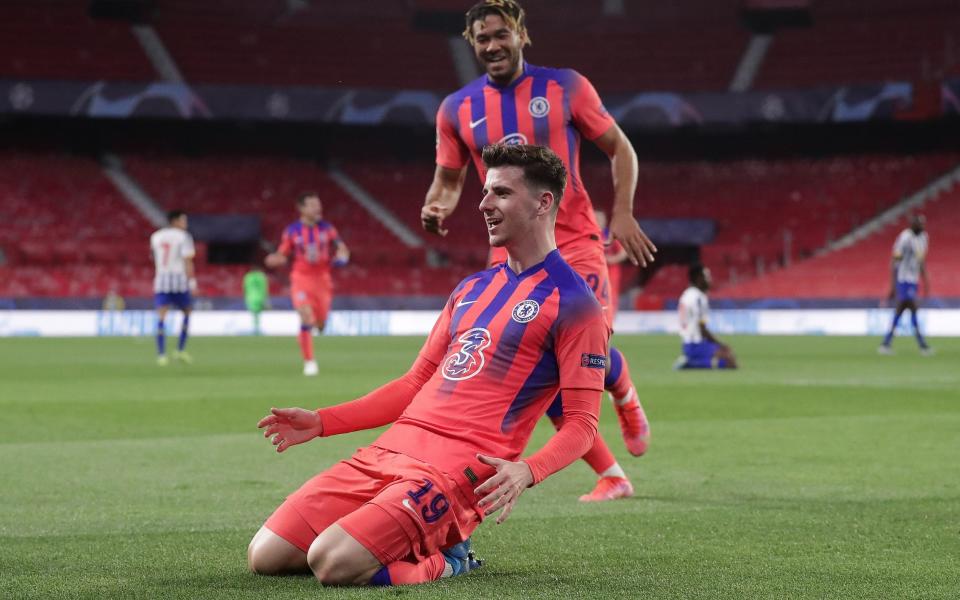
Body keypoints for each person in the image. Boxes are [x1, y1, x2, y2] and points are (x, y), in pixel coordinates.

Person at [248, 144, 608, 587]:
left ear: (543, 202)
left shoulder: (575, 305)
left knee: (333, 563)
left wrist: (527, 470)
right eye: (484, 192)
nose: (483, 204)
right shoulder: (472, 288)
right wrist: (322, 422)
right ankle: (415, 537)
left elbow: (582, 424)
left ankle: (450, 560)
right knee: (265, 556)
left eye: (500, 193)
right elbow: (413, 383)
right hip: (390, 451)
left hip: (453, 471)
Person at [419, 0, 653, 501]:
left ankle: (625, 393)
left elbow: (621, 148)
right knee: (535, 369)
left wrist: (624, 212)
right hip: (509, 256)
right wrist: (435, 207)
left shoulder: (565, 87)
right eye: (482, 39)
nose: (492, 46)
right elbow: (446, 180)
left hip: (574, 242)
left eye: (501, 34)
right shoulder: (456, 108)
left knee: (582, 350)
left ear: (522, 34)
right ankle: (612, 474)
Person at [265, 193, 349, 376]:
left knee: (320, 323)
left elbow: (342, 248)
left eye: (318, 204)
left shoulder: (328, 229)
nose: (317, 208)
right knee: (305, 316)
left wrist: (343, 257)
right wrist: (275, 259)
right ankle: (309, 362)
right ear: (301, 208)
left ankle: (314, 331)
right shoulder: (292, 231)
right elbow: (282, 253)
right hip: (301, 278)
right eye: (312, 205)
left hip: (323, 280)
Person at [879, 214, 932, 355]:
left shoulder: (924, 238)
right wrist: (893, 284)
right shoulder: (905, 238)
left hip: (913, 280)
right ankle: (922, 344)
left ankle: (886, 343)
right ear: (912, 225)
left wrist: (925, 279)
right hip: (903, 278)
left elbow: (921, 261)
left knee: (902, 309)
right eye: (919, 224)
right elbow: (895, 258)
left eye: (923, 224)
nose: (922, 226)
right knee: (910, 306)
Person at [150, 210, 196, 366]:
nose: (185, 224)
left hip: (161, 280)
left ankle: (161, 355)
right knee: (187, 312)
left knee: (161, 316)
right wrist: (192, 283)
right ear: (175, 221)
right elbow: (187, 260)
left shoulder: (155, 236)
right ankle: (180, 350)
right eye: (183, 221)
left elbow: (154, 257)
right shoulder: (184, 237)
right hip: (179, 281)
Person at [674, 264, 737, 370]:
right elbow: (702, 328)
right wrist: (720, 344)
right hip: (696, 344)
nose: (710, 280)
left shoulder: (686, 295)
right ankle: (690, 363)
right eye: (707, 277)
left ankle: (691, 361)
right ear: (699, 279)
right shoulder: (698, 298)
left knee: (726, 357)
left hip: (688, 343)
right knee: (729, 361)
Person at [595, 209, 629, 322]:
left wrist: (611, 259)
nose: (598, 221)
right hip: (593, 273)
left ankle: (609, 324)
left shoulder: (610, 235)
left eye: (600, 218)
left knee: (610, 298)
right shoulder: (587, 235)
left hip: (610, 274)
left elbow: (623, 253)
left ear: (605, 220)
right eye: (595, 218)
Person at [243, 264, 270, 335]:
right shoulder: (261, 277)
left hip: (250, 297)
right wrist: (266, 298)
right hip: (260, 297)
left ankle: (255, 328)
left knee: (254, 313)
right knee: (257, 314)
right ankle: (257, 328)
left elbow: (245, 287)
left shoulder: (248, 277)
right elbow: (264, 288)